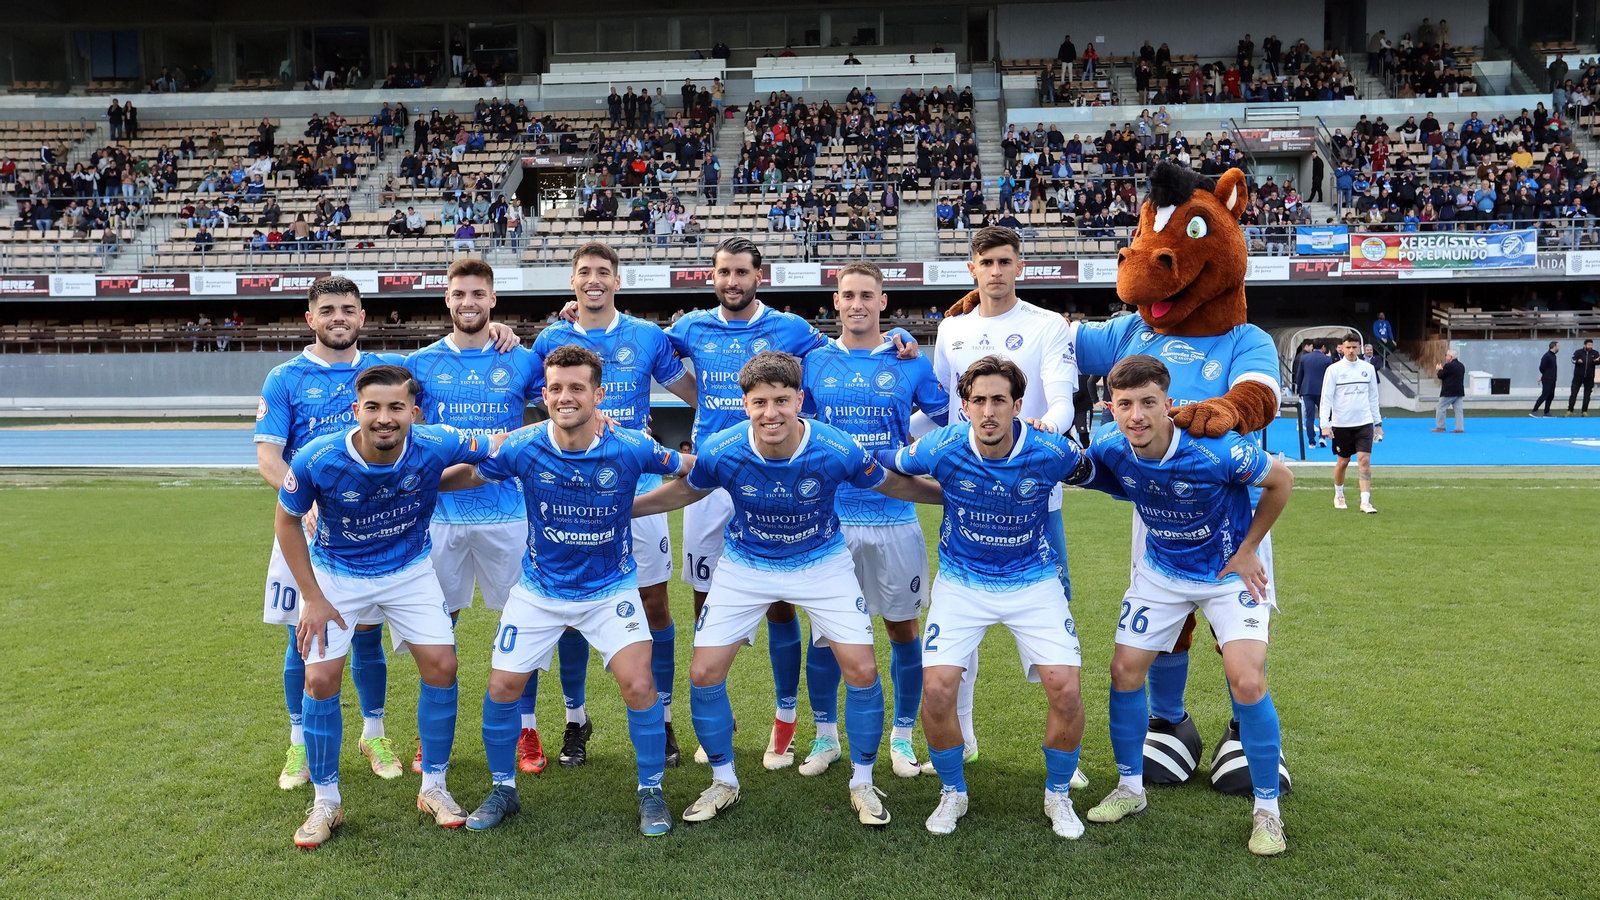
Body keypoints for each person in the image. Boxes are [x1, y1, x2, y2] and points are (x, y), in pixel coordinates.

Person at [564, 237, 913, 769]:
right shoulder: (688, 327)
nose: (732, 281)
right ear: (713, 277)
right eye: (724, 272)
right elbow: (633, 342)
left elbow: (844, 346)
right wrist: (575, 313)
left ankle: (785, 716)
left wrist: (894, 338)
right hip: (711, 472)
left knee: (782, 598)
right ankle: (717, 723)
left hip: (777, 471)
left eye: (742, 272)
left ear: (758, 277)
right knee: (706, 595)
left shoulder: (790, 328)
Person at [631, 351, 942, 827]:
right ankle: (723, 781)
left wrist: (952, 497)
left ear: (799, 400)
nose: (770, 412)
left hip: (822, 563)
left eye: (781, 400)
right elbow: (686, 491)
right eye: (759, 402)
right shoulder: (722, 448)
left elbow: (893, 485)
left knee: (862, 670)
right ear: (745, 405)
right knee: (704, 672)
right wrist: (625, 510)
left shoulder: (836, 447)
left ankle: (862, 782)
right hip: (746, 564)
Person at [255, 277, 518, 794]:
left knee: (369, 635)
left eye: (347, 309)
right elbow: (268, 456)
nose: (338, 317)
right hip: (310, 519)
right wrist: (307, 502)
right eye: (327, 309)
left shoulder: (392, 369)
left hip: (385, 523)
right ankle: (300, 742)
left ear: (362, 316)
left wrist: (497, 329)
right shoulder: (284, 378)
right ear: (310, 318)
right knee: (304, 636)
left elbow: (459, 357)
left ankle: (373, 734)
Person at [444, 345, 690, 836]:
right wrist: (410, 481)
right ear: (544, 394)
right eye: (556, 388)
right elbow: (470, 474)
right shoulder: (523, 444)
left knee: (639, 685)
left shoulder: (632, 446)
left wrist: (636, 508)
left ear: (599, 394)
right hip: (539, 590)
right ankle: (502, 789)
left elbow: (694, 472)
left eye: (577, 387)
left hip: (610, 589)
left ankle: (651, 791)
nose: (565, 397)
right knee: (501, 686)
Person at [1078, 355, 1294, 857]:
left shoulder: (1216, 448)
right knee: (1123, 671)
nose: (1136, 416)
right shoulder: (1109, 445)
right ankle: (1130, 788)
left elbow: (1281, 480)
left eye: (1148, 403)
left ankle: (1267, 812)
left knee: (1247, 680)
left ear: (1168, 404)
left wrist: (1249, 548)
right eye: (1125, 404)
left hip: (1226, 573)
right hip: (1161, 573)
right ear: (1110, 407)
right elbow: (1102, 477)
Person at [276, 364, 494, 847]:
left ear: (414, 412)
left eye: (396, 407)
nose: (384, 418)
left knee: (443, 666)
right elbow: (286, 521)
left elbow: (499, 446)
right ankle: (326, 802)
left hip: (409, 571)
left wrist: (571, 424)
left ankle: (434, 787)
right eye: (373, 407)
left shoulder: (436, 442)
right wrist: (312, 597)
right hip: (338, 575)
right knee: (320, 679)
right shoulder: (319, 457)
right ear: (356, 410)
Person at [881, 355, 1096, 838]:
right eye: (978, 400)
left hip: (1033, 580)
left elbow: (1098, 471)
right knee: (937, 689)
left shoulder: (1050, 450)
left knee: (1066, 688)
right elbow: (891, 465)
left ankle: (1058, 795)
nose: (988, 411)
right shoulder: (941, 445)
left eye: (999, 400)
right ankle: (952, 792)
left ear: (1018, 405)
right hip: (962, 582)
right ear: (965, 406)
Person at [529, 243, 699, 770]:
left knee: (654, 603)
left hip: (637, 488)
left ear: (617, 281)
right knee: (570, 611)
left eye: (603, 272)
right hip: (567, 494)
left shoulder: (646, 335)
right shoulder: (551, 338)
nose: (594, 280)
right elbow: (526, 394)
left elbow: (698, 393)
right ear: (572, 281)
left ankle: (663, 717)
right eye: (584, 272)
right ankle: (575, 719)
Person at [930, 226, 1080, 776]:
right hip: (966, 493)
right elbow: (941, 406)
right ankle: (964, 737)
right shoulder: (951, 329)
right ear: (972, 268)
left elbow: (1062, 403)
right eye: (986, 262)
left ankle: (1064, 754)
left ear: (1020, 267)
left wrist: (1040, 432)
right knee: (957, 626)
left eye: (1005, 261)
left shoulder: (1048, 324)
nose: (996, 271)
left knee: (1050, 623)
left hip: (1035, 496)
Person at [797, 262, 950, 781]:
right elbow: (800, 426)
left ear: (883, 302)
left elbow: (947, 421)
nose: (857, 303)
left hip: (895, 516)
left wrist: (909, 451)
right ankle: (825, 736)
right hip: (831, 521)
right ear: (836, 302)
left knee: (903, 630)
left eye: (867, 295)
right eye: (848, 295)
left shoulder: (910, 361)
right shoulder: (815, 362)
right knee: (825, 634)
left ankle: (902, 739)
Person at [402, 259, 549, 773]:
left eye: (478, 294)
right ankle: (431, 735)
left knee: (523, 623)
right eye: (460, 294)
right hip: (439, 516)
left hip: (508, 513)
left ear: (493, 300)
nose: (469, 302)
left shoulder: (522, 360)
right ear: (447, 299)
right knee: (435, 626)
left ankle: (526, 729)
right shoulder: (420, 364)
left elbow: (559, 402)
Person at [1321, 334, 1382, 514]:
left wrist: (1377, 423)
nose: (1351, 351)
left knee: (1364, 460)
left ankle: (1365, 501)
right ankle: (1339, 494)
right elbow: (1326, 398)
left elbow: (1373, 397)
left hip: (1364, 422)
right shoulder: (1334, 370)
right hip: (1342, 424)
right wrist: (1325, 424)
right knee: (1343, 461)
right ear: (1342, 348)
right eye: (1348, 347)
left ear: (1360, 348)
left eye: (1354, 347)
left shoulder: (1368, 369)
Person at [1294, 341, 1333, 448]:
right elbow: (1331, 377)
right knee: (1323, 415)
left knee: (1310, 417)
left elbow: (1299, 375)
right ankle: (1322, 437)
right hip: (1322, 390)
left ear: (1313, 347)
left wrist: (1299, 390)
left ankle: (1311, 441)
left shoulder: (1304, 358)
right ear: (1323, 347)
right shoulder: (1327, 359)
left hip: (1307, 390)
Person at [1433, 348, 1466, 432]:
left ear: (1451, 357)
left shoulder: (1448, 366)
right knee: (1458, 411)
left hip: (1448, 391)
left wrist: (1439, 370)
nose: (1445, 357)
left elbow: (1441, 375)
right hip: (1459, 391)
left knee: (1441, 408)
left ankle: (1441, 426)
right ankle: (1459, 428)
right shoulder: (1461, 365)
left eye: (1446, 355)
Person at [1568, 338, 1599, 416]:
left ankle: (1584, 411)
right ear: (1585, 345)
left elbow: (1598, 362)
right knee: (1573, 394)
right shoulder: (1578, 352)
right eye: (1589, 345)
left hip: (1589, 377)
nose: (1590, 346)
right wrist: (1577, 361)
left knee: (1587, 395)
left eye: (1591, 345)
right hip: (1578, 377)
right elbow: (1572, 359)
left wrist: (1597, 361)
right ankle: (1570, 410)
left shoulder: (1595, 353)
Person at [1534, 341, 1561, 417]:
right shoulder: (1547, 356)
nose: (1559, 348)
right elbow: (1542, 368)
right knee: (1545, 394)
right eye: (1558, 346)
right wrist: (1544, 375)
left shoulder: (1553, 356)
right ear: (1554, 346)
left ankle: (1547, 411)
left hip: (1552, 378)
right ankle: (1534, 410)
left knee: (1551, 395)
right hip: (1548, 379)